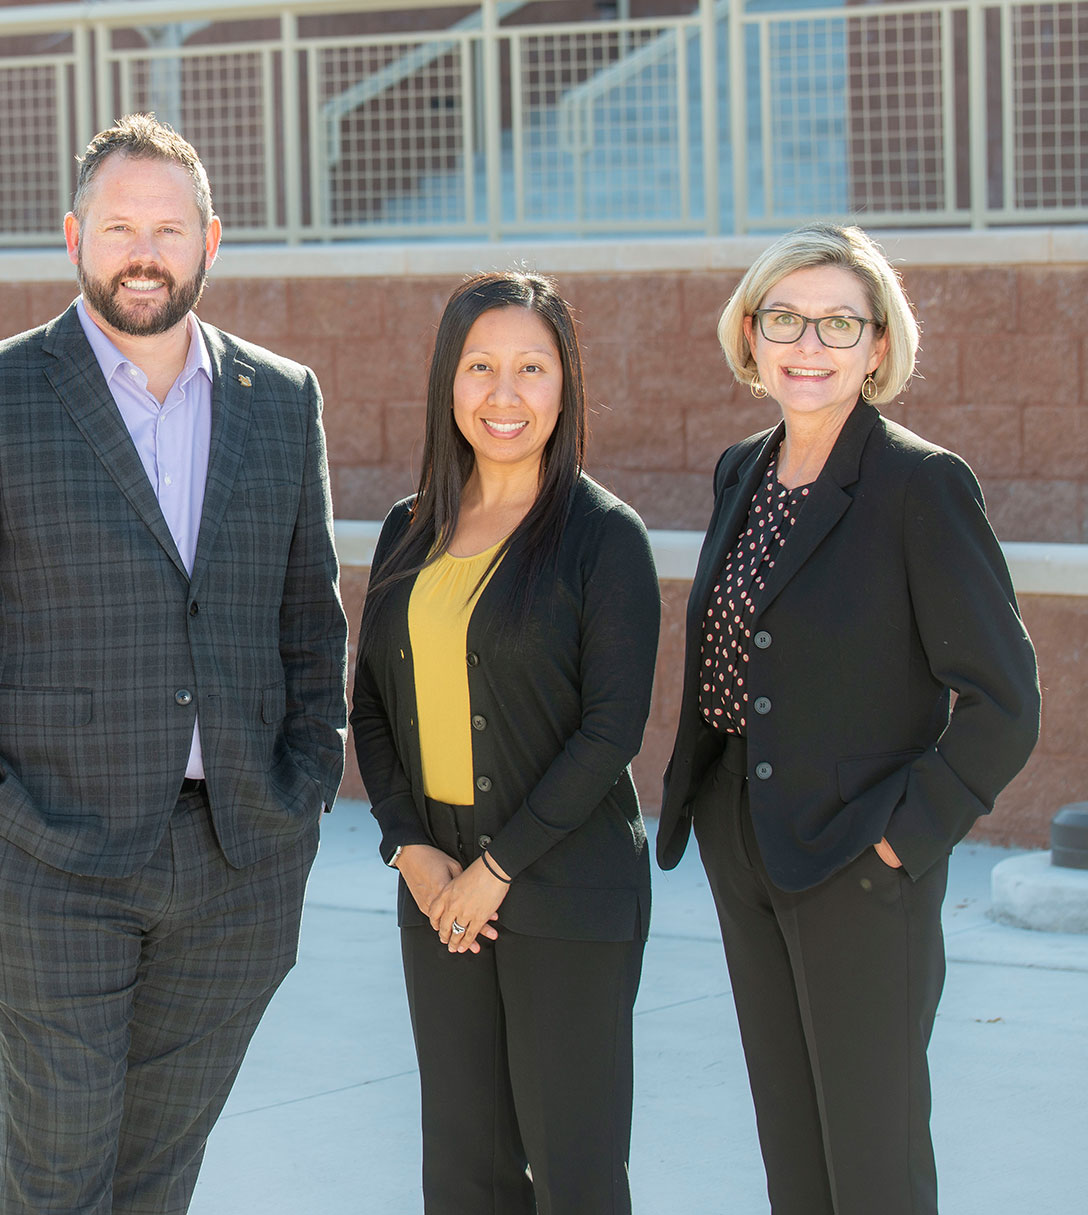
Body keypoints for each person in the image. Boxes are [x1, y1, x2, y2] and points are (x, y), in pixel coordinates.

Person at [0, 113, 348, 1215]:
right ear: (73, 236)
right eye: (119, 225)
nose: (144, 250)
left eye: (169, 228)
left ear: (210, 242)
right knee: (57, 1171)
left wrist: (304, 788)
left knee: (156, 1172)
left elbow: (307, 612)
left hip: (238, 853)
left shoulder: (280, 400)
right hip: (42, 855)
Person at [657, 223, 1040, 1215]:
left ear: (877, 346)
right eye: (784, 317)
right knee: (789, 1137)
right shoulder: (741, 470)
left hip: (857, 859)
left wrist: (898, 843)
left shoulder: (919, 485)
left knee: (869, 1159)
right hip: (738, 835)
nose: (808, 343)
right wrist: (704, 812)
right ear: (750, 333)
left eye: (838, 322)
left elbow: (1003, 701)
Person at [350, 271, 658, 1213]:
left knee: (575, 1173)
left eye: (532, 367)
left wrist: (495, 868)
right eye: (481, 366)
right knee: (465, 1171)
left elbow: (612, 730)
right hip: (435, 888)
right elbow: (370, 707)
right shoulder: (410, 528)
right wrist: (413, 851)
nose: (505, 393)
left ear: (566, 386)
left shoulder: (605, 539)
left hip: (565, 889)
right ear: (449, 381)